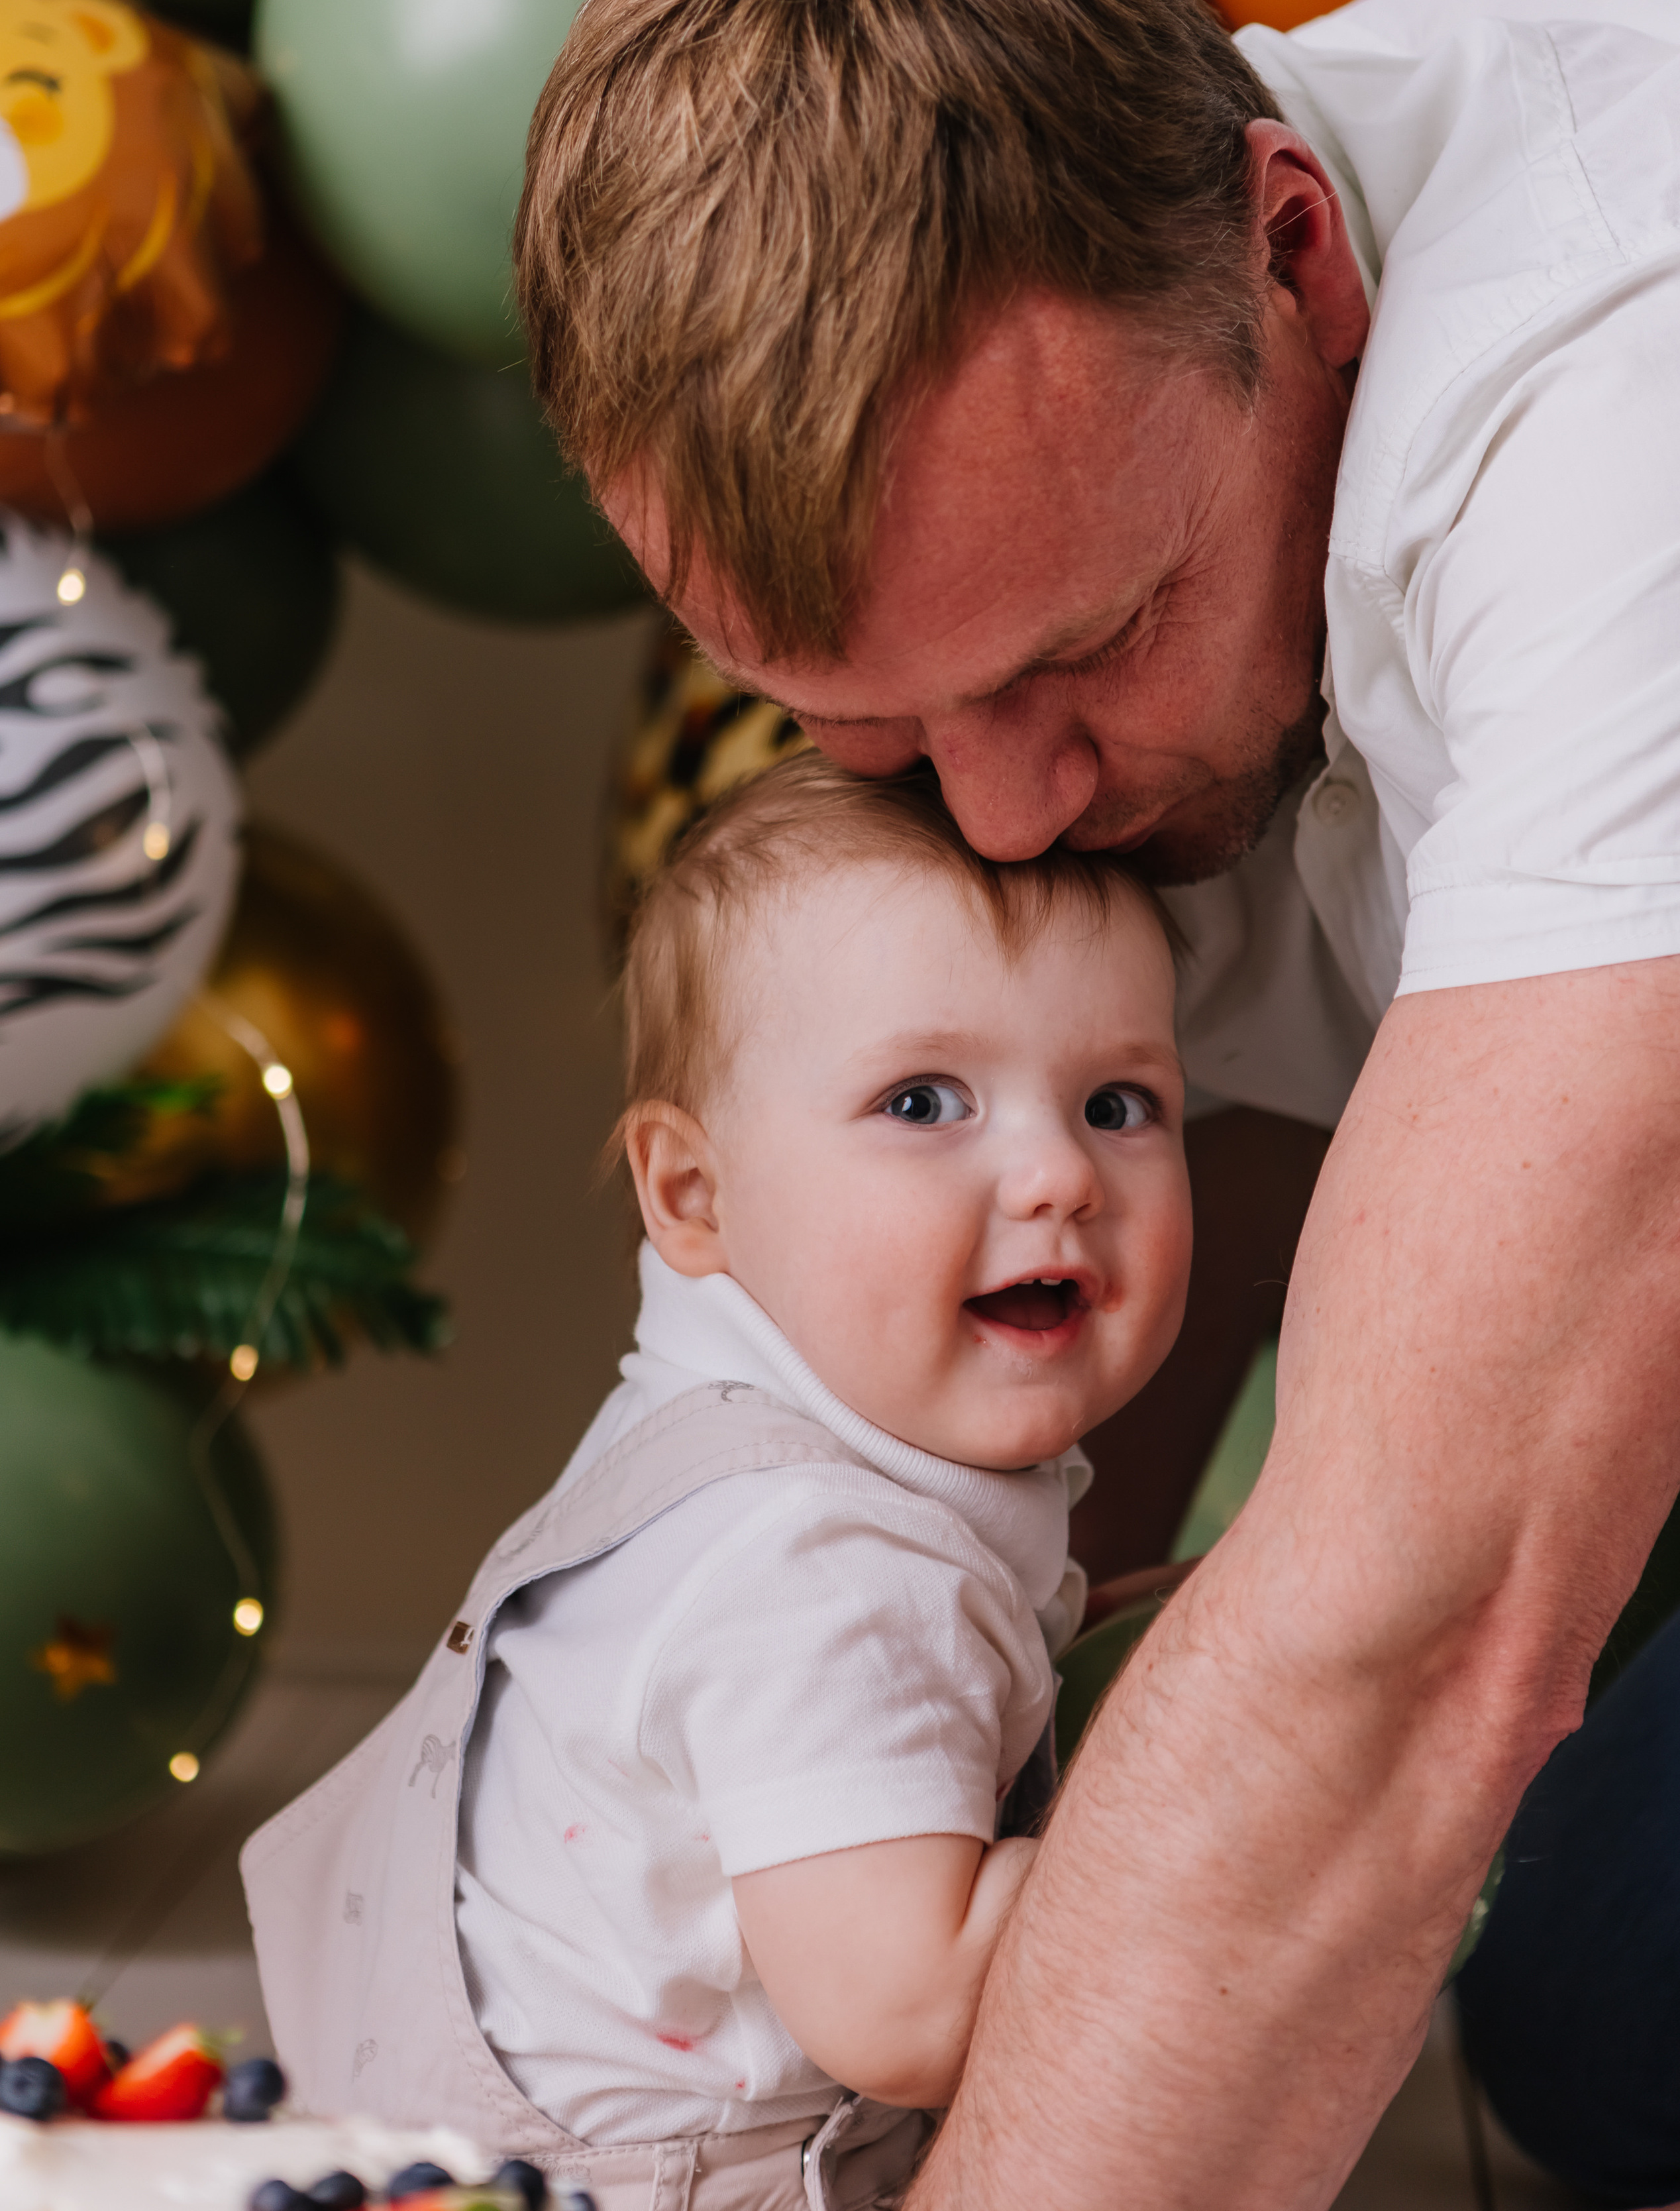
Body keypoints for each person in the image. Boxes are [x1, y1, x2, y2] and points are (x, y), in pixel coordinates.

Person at [512, 0, 1680, 2208]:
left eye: (1084, 652)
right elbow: (1128, 1263)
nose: (1006, 808)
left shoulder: (1627, 401)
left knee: (1632, 1987)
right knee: (1602, 2006)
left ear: (1295, 254)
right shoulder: (1128, 507)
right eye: (869, 731)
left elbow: (1422, 1620)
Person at [244, 753, 1192, 2209]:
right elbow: (911, 2009)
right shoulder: (823, 1571)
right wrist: (1201, 1786)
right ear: (691, 1193)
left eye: (1119, 1103)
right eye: (926, 1100)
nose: (1058, 1172)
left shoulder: (725, 1427)